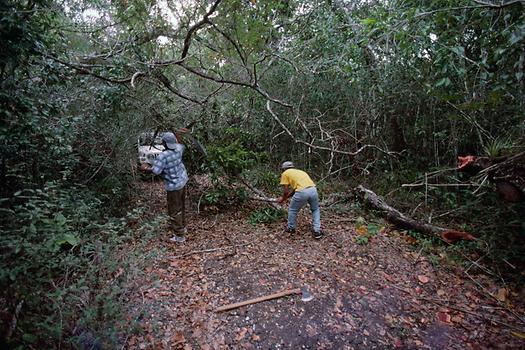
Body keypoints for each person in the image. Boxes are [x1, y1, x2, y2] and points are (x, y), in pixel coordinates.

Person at [140, 130, 189, 243]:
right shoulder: (179, 149)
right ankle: (183, 228)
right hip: (182, 181)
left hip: (173, 187)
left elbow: (156, 171)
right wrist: (178, 134)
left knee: (174, 211)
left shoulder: (163, 156)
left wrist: (146, 167)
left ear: (164, 143)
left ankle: (179, 236)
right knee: (181, 207)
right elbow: (180, 144)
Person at [277, 161, 323, 239]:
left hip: (302, 192)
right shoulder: (300, 172)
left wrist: (283, 199)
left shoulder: (285, 173)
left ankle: (291, 228)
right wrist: (286, 198)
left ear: (283, 169)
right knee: (315, 209)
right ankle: (317, 230)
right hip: (313, 190)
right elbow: (295, 189)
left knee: (293, 210)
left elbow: (286, 191)